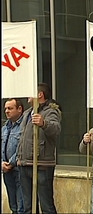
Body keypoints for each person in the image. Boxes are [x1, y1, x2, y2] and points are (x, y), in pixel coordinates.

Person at [17, 83, 62, 214]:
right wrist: (19, 158)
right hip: (25, 164)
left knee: (46, 206)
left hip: (42, 165)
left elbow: (56, 129)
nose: (27, 96)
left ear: (39, 94)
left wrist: (44, 123)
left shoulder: (51, 111)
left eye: (30, 92)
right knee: (28, 207)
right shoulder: (27, 113)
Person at [2, 98, 25, 214]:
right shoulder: (4, 129)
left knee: (22, 206)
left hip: (19, 170)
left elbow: (23, 148)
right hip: (6, 172)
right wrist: (2, 163)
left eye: (10, 108)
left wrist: (11, 163)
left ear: (19, 109)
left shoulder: (24, 127)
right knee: (13, 206)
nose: (6, 111)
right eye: (5, 108)